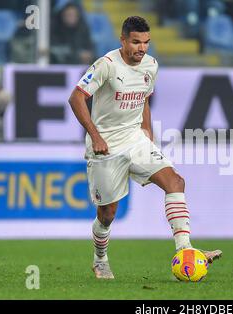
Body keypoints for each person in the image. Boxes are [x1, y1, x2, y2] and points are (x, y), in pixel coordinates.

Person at [68, 16, 222, 280]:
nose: (142, 48)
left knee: (175, 181)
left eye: (146, 42)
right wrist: (95, 136)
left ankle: (185, 251)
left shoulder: (151, 66)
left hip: (135, 139)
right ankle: (100, 259)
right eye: (136, 42)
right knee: (107, 214)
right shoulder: (106, 65)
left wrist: (147, 133)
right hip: (106, 146)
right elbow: (76, 98)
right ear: (123, 40)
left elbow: (144, 100)